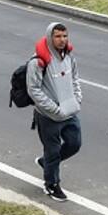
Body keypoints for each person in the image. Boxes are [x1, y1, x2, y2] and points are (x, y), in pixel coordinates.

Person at [27, 21, 82, 201]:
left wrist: (77, 99)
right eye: (57, 36)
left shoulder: (69, 57)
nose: (62, 40)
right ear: (50, 37)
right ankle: (51, 184)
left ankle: (46, 164)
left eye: (65, 36)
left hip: (70, 112)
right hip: (48, 116)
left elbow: (75, 79)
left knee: (74, 144)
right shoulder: (38, 61)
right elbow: (33, 89)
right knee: (52, 150)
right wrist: (53, 109)